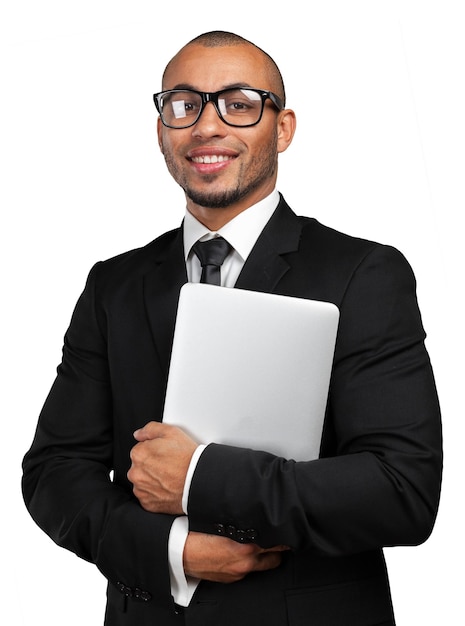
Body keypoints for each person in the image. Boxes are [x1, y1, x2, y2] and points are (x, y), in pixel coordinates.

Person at [22, 30, 442, 626]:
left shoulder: (363, 274)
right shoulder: (113, 285)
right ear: (163, 127)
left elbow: (402, 489)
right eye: (184, 104)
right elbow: (53, 473)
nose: (206, 126)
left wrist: (198, 477)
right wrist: (174, 551)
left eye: (239, 103)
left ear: (284, 127)